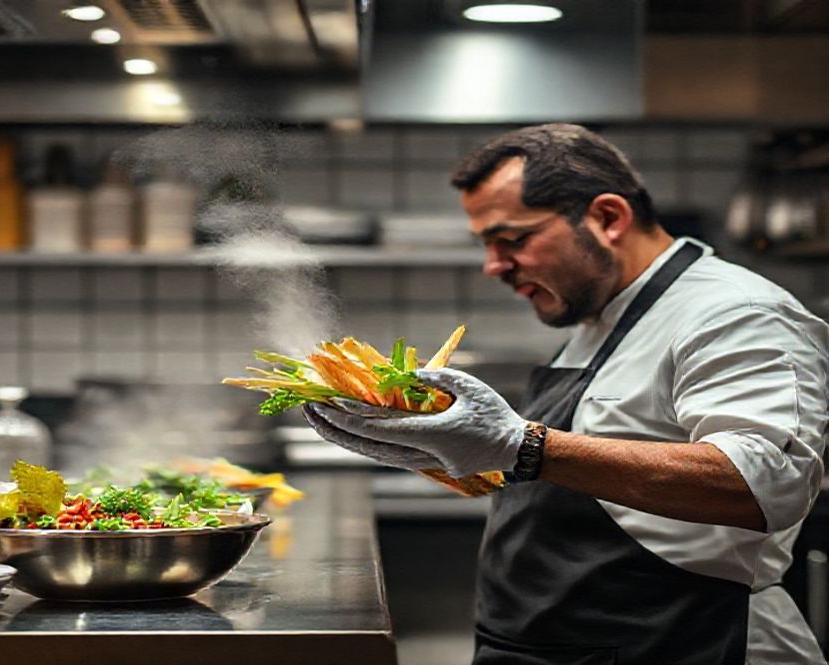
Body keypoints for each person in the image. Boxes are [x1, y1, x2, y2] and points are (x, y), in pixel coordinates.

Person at [303, 124, 829, 664]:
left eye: (513, 239)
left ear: (607, 218)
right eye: (485, 245)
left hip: (685, 644)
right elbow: (574, 467)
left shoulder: (735, 311)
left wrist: (524, 447)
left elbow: (765, 483)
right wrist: (443, 449)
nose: (493, 266)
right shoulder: (602, 318)